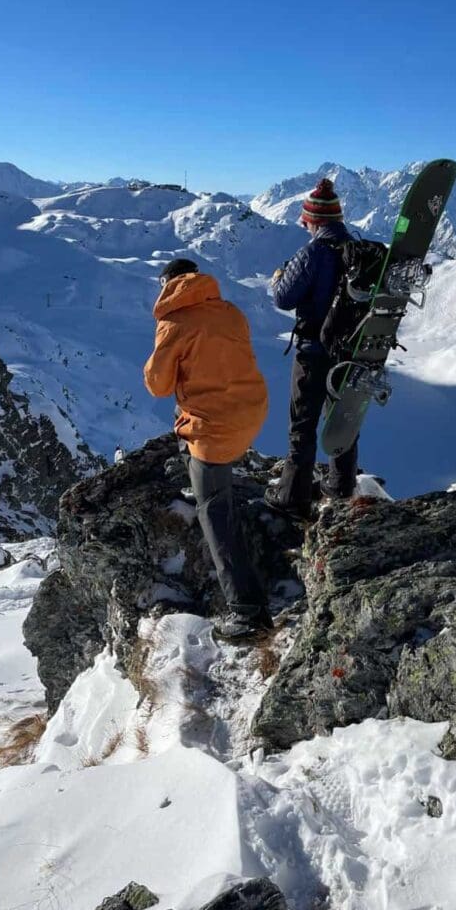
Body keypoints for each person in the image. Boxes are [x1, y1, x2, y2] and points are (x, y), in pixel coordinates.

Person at [143, 257, 271, 641]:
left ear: (167, 285)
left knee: (214, 513)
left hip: (214, 428)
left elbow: (159, 385)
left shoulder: (174, 323)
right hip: (251, 411)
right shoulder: (230, 312)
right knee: (213, 473)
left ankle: (248, 611)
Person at [265, 178, 358, 519]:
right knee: (344, 420)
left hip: (314, 349)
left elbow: (283, 297)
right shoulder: (358, 248)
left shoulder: (313, 252)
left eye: (306, 219)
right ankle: (340, 485)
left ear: (314, 220)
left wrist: (279, 276)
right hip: (351, 350)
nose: (303, 224)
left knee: (303, 423)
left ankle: (292, 496)